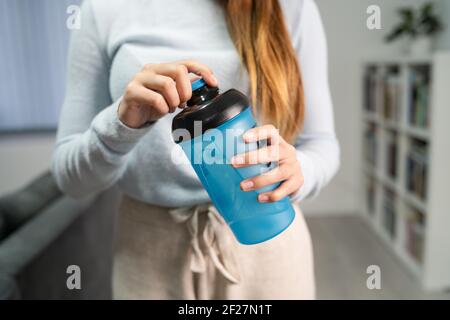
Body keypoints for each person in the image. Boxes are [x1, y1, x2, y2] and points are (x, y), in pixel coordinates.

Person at [52, 0, 340, 299]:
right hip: (148, 251)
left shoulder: (290, 6)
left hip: (268, 242)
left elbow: (321, 145)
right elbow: (71, 181)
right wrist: (121, 124)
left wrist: (297, 171)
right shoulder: (103, 9)